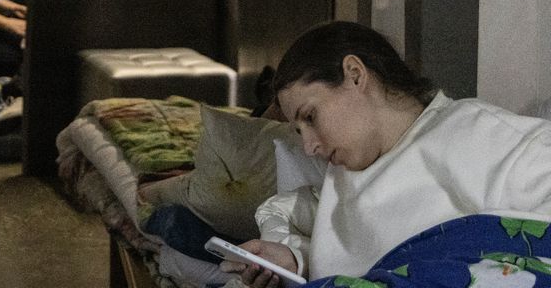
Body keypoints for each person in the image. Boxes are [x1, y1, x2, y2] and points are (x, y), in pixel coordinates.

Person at [221, 21, 551, 288]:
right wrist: (296, 260)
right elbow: (349, 256)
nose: (310, 146)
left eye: (310, 117)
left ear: (354, 74)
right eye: (299, 131)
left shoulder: (479, 135)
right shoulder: (341, 179)